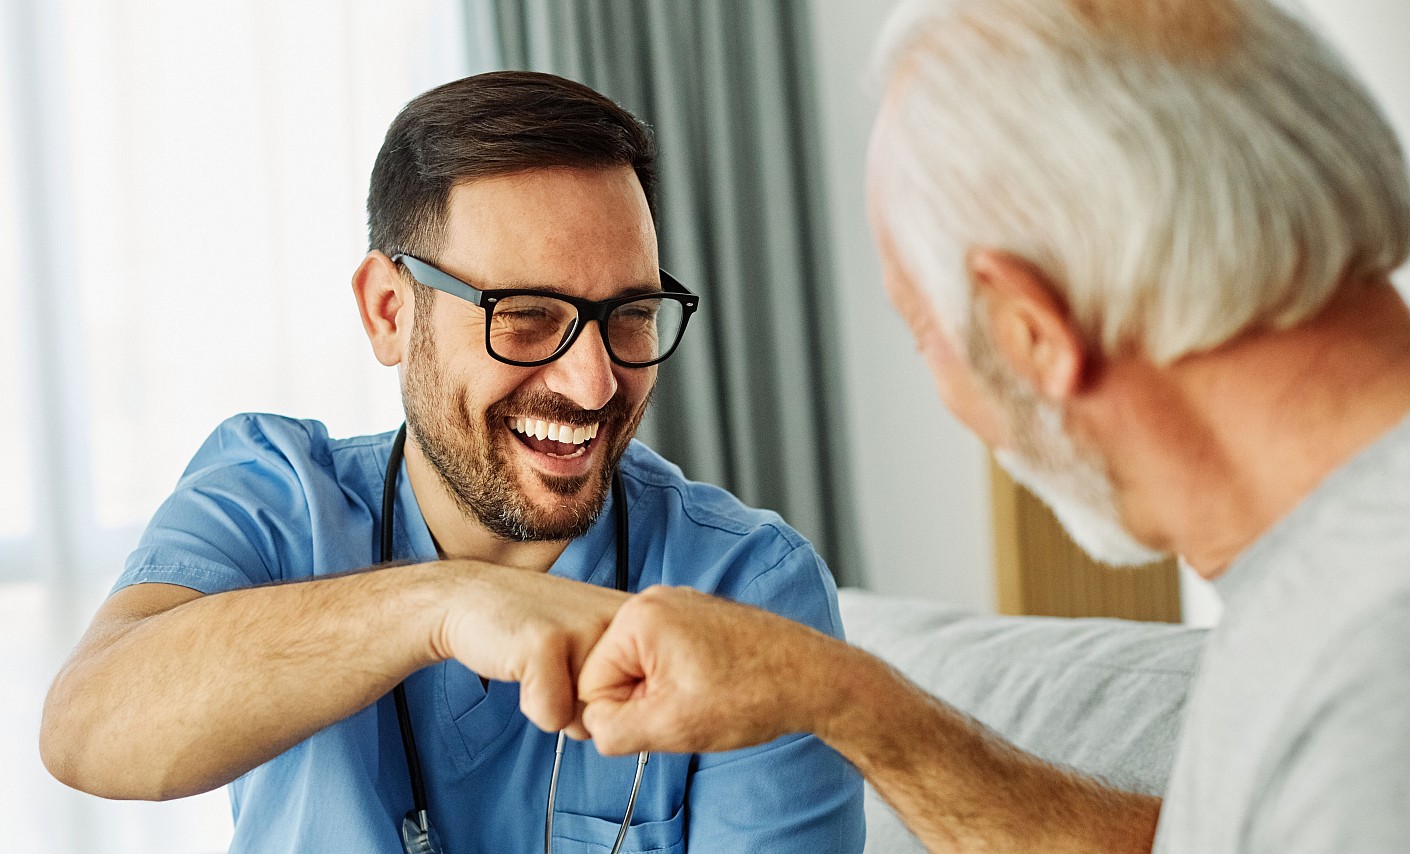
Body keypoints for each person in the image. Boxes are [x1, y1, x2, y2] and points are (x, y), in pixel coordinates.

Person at [571, 1, 1410, 852]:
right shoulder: (1320, 586)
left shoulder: (1370, 690)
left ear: (1029, 331)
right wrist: (839, 696)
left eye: (923, 332)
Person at [38, 71, 864, 854]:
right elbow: (86, 730)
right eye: (529, 316)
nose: (596, 381)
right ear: (390, 311)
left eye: (631, 314)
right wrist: (441, 604)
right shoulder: (272, 497)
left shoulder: (749, 587)